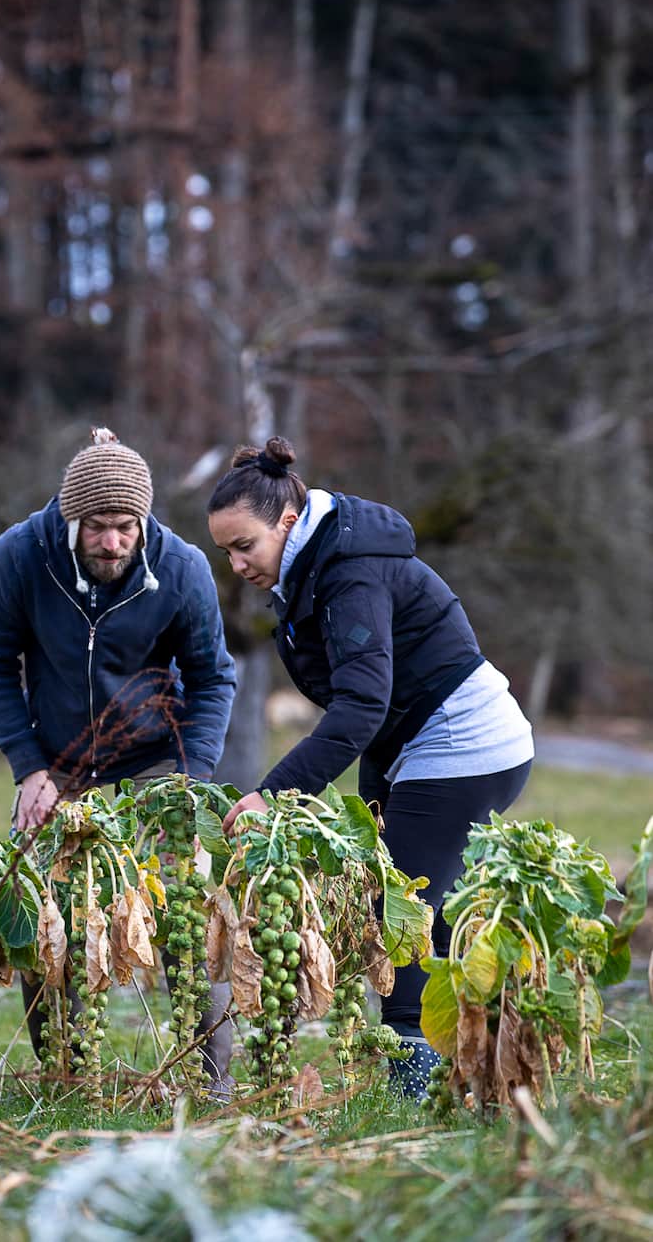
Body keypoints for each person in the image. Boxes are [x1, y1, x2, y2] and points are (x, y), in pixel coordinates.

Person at [207, 436, 534, 1098]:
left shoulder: (349, 571)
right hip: (414, 744)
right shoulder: (315, 566)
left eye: (245, 545)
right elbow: (370, 712)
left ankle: (412, 1090)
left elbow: (360, 706)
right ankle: (477, 1071)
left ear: (289, 522)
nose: (238, 563)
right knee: (425, 906)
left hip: (465, 744)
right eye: (227, 552)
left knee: (402, 910)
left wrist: (274, 793)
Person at [0, 426, 237, 1097]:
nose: (113, 543)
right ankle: (67, 1076)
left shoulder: (180, 569)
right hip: (56, 763)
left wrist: (188, 780)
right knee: (42, 914)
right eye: (97, 527)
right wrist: (29, 766)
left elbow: (212, 677)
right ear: (70, 520)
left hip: (153, 757)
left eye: (125, 527)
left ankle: (213, 1085)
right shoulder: (19, 559)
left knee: (185, 915)